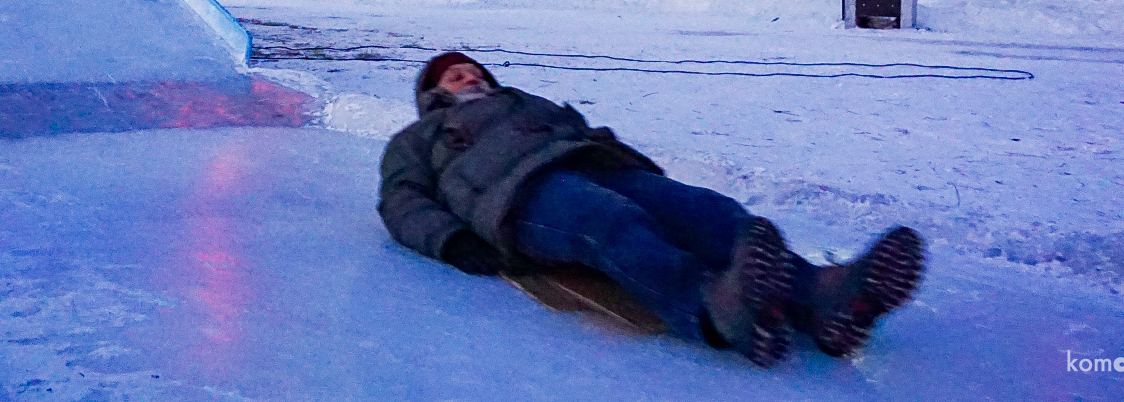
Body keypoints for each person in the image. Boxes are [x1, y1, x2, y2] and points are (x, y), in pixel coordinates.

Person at [379, 53, 924, 368]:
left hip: (596, 164)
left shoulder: (526, 102)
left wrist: (633, 167)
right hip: (515, 196)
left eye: (475, 71)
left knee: (710, 211)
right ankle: (712, 308)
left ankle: (823, 298)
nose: (471, 77)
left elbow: (584, 133)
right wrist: (452, 240)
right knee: (609, 223)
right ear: (432, 94)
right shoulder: (417, 137)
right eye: (455, 76)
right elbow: (400, 201)